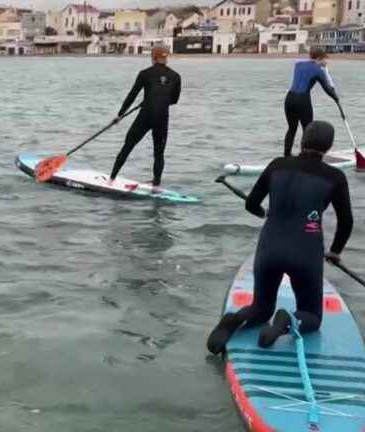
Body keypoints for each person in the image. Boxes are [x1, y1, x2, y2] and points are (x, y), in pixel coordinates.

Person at [207, 121, 353, 355]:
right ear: (329, 146)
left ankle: (234, 320)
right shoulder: (335, 177)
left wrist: (264, 213)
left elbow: (251, 203)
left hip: (269, 247)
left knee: (261, 309)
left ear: (302, 140)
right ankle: (286, 322)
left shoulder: (277, 164)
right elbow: (346, 222)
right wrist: (335, 251)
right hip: (305, 251)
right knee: (312, 316)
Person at [110, 46, 181, 189]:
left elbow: (132, 95)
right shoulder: (176, 76)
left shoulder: (145, 74)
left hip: (146, 116)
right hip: (162, 118)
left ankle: (111, 179)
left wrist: (120, 115)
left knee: (128, 146)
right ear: (166, 58)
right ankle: (156, 184)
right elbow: (174, 100)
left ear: (153, 57)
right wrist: (159, 100)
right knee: (159, 153)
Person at [283, 47, 339, 157]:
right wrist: (336, 98)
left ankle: (286, 155)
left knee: (292, 128)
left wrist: (320, 66)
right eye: (324, 59)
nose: (326, 62)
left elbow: (306, 63)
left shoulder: (298, 65)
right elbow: (327, 88)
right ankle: (305, 156)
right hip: (302, 100)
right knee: (307, 130)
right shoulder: (318, 71)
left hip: (289, 99)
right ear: (318, 58)